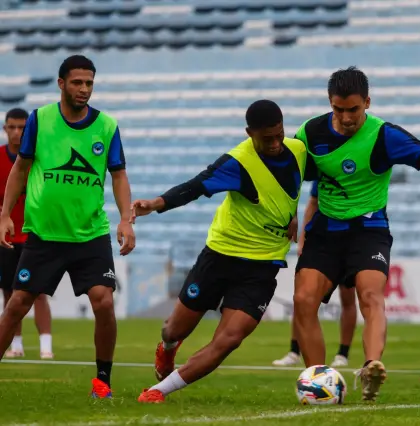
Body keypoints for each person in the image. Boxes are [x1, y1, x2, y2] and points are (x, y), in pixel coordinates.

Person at [292, 66, 420, 401]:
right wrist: (291, 217)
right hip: (325, 229)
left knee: (370, 296)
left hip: (368, 229)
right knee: (304, 300)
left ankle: (370, 367)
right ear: (330, 104)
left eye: (354, 109)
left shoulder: (384, 135)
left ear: (367, 102)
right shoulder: (310, 133)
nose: (347, 117)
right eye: (339, 109)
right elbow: (288, 176)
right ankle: (318, 382)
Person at [134, 100, 307, 403]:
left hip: (263, 266)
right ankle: (168, 348)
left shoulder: (299, 150)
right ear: (249, 133)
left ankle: (158, 391)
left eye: (280, 134)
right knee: (174, 329)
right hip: (221, 256)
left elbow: (296, 187)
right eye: (268, 139)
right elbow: (195, 186)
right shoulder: (237, 162)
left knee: (230, 339)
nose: (277, 143)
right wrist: (155, 203)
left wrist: (292, 213)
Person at [0, 55, 135, 399]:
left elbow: (118, 175)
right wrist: (5, 214)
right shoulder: (40, 119)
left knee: (104, 302)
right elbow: (20, 169)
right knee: (16, 305)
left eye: (89, 83)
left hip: (89, 235)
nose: (84, 89)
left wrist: (125, 219)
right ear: (61, 84)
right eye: (77, 82)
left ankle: (102, 382)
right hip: (44, 235)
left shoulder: (106, 126)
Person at [273, 182, 357, 368]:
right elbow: (313, 202)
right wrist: (303, 240)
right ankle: (295, 351)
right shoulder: (324, 166)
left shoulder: (357, 172)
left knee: (348, 298)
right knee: (304, 298)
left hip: (350, 243)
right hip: (324, 244)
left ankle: (343, 354)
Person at [0, 108, 53, 360]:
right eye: (12, 127)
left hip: (35, 234)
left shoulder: (40, 158)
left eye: (22, 127)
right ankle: (16, 344)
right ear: (5, 129)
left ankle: (46, 347)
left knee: (39, 292)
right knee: (10, 293)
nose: (17, 132)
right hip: (7, 237)